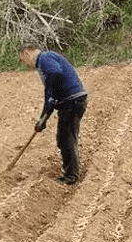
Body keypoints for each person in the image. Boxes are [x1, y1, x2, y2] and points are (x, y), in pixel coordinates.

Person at [19, 45, 88, 185]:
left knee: (66, 138)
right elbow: (49, 94)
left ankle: (71, 177)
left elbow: (55, 75)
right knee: (64, 137)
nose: (25, 65)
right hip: (72, 100)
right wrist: (43, 117)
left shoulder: (44, 58)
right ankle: (70, 173)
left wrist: (52, 99)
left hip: (72, 100)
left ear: (27, 53)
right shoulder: (46, 59)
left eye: (23, 60)